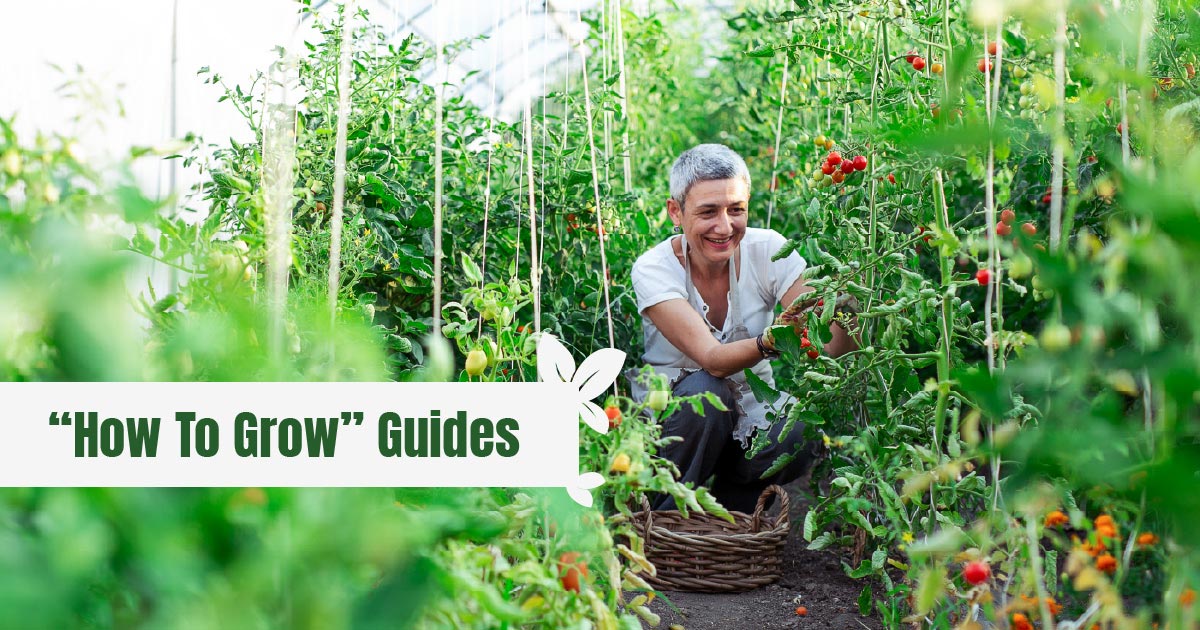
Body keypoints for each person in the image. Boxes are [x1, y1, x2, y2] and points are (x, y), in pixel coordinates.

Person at [629, 143, 858, 513]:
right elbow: (713, 361)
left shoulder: (768, 249)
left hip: (749, 412)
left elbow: (833, 346)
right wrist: (773, 339)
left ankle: (731, 519)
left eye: (736, 210)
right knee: (708, 391)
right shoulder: (653, 268)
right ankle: (664, 518)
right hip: (676, 420)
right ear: (676, 211)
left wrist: (849, 308)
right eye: (708, 212)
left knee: (799, 430)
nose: (725, 226)